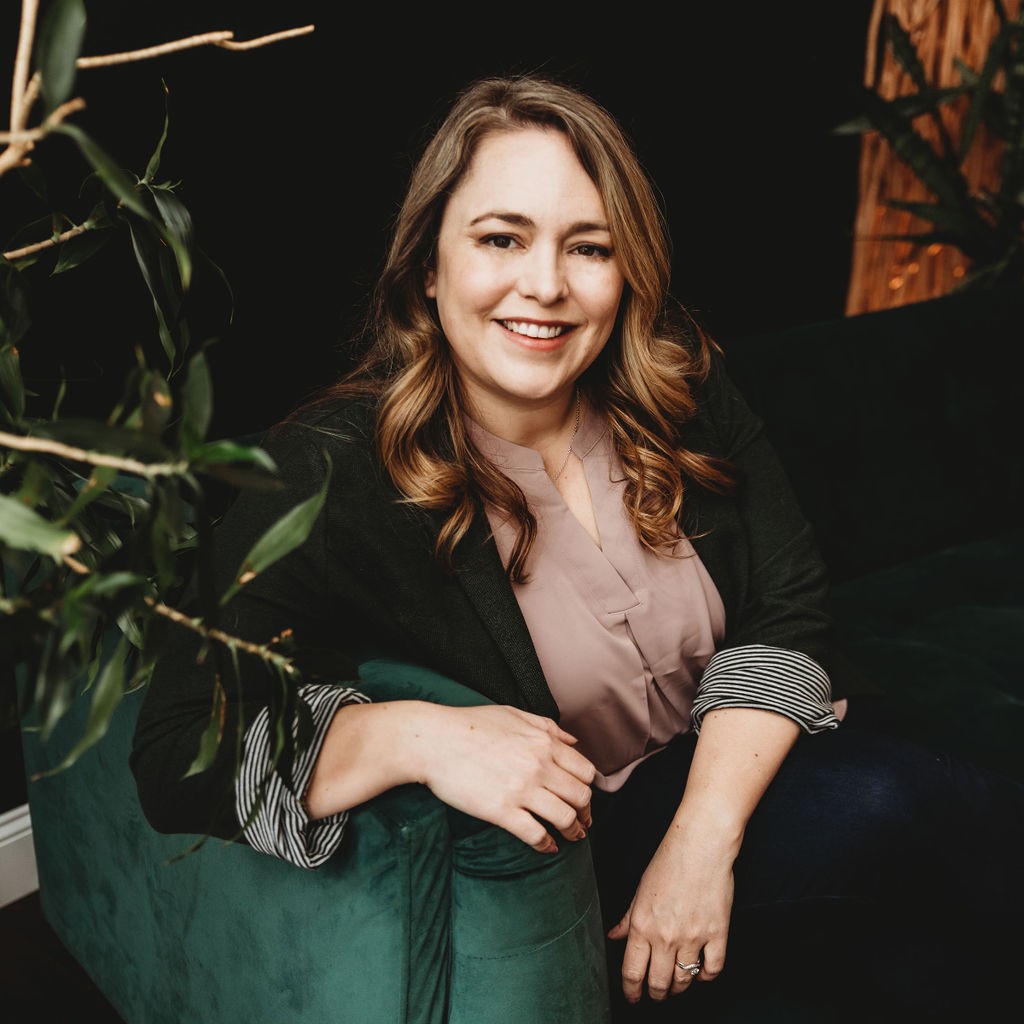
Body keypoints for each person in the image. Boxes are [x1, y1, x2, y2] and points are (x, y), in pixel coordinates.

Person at [130, 73, 1023, 1022]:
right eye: (501, 238)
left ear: (624, 270)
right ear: (429, 266)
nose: (546, 284)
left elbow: (790, 610)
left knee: (924, 948)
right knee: (897, 803)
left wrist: (699, 846)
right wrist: (407, 734)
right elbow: (182, 744)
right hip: (596, 857)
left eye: (587, 247)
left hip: (750, 768)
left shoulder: (680, 383)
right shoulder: (327, 474)